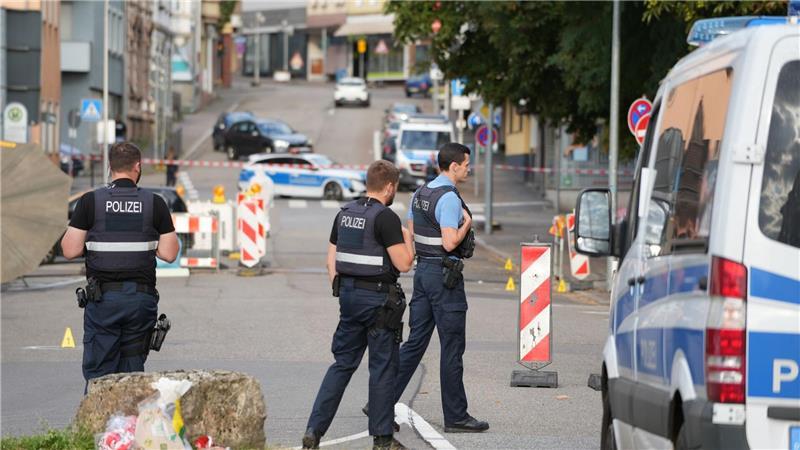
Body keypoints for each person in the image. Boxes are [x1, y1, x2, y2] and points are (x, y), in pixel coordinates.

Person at [303, 160, 414, 450]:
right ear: (390, 186)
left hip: (349, 299)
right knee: (382, 368)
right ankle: (382, 440)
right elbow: (403, 263)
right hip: (379, 301)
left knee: (342, 365)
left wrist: (344, 291)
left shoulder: (345, 213)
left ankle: (313, 431)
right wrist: (409, 240)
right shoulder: (385, 217)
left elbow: (331, 260)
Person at [61, 142, 179, 388]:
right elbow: (169, 254)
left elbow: (69, 250)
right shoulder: (155, 203)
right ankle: (130, 424)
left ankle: (100, 425)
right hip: (140, 302)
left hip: (103, 301)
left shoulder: (90, 202)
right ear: (138, 166)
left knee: (100, 376)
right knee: (133, 375)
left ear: (109, 167)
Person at [395, 142, 489, 432]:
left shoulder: (420, 193)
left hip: (423, 272)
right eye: (466, 164)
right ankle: (456, 417)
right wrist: (467, 224)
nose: (468, 168)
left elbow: (410, 232)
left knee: (415, 343)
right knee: (451, 347)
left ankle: (380, 400)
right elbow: (450, 242)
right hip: (444, 277)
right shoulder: (448, 198)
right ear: (453, 166)